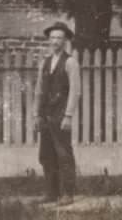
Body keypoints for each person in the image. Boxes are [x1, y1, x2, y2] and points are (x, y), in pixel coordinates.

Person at [36, 21, 80, 206]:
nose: (55, 41)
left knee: (63, 154)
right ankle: (51, 193)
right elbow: (39, 90)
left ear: (65, 40)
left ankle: (67, 194)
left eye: (59, 38)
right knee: (46, 154)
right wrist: (35, 114)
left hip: (61, 114)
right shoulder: (44, 62)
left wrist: (68, 115)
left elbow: (75, 91)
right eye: (52, 37)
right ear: (49, 40)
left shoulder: (70, 62)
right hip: (45, 114)